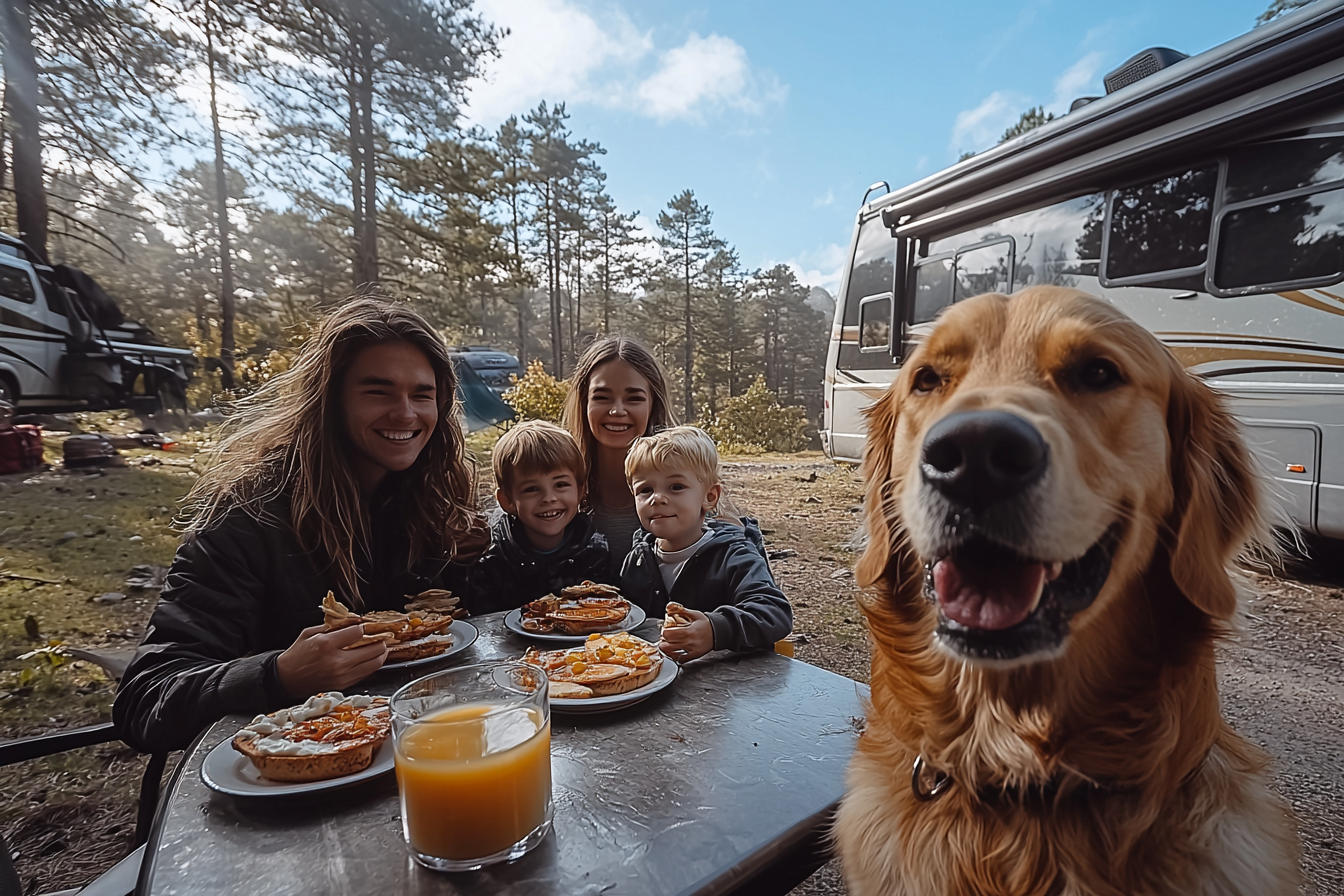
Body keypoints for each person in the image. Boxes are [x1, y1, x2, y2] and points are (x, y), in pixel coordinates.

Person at [113, 299, 487, 753]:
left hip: (417, 744)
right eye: (378, 391)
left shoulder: (426, 498)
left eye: (421, 395)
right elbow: (144, 700)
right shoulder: (249, 515)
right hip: (292, 772)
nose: (406, 413)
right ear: (329, 400)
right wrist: (279, 674)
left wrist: (474, 562)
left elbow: (452, 633)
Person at [619, 425, 792, 662]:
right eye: (645, 490)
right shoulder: (637, 558)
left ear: (709, 497)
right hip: (654, 683)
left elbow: (774, 613)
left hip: (730, 686)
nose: (656, 498)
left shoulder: (734, 555)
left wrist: (715, 630)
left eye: (676, 487)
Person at [464, 420, 613, 614]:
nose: (549, 498)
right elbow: (484, 625)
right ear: (507, 500)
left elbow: (604, 614)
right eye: (531, 489)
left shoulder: (594, 552)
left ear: (580, 490)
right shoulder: (492, 557)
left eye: (560, 485)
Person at [561, 337, 677, 569]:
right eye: (602, 398)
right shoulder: (557, 490)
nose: (617, 410)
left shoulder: (691, 491)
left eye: (634, 398)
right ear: (584, 403)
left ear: (653, 404)